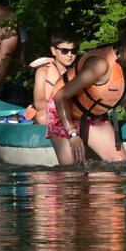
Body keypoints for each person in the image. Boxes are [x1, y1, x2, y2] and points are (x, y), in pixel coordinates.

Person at [51, 21, 126, 164]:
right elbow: (60, 96)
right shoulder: (100, 65)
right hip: (62, 110)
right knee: (72, 176)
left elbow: (115, 94)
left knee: (121, 165)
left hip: (92, 115)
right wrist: (72, 133)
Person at [31, 29, 81, 165]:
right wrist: (62, 108)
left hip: (71, 115)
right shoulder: (44, 71)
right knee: (41, 117)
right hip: (51, 113)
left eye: (73, 51)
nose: (69, 55)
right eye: (64, 51)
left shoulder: (79, 72)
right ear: (53, 51)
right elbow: (38, 102)